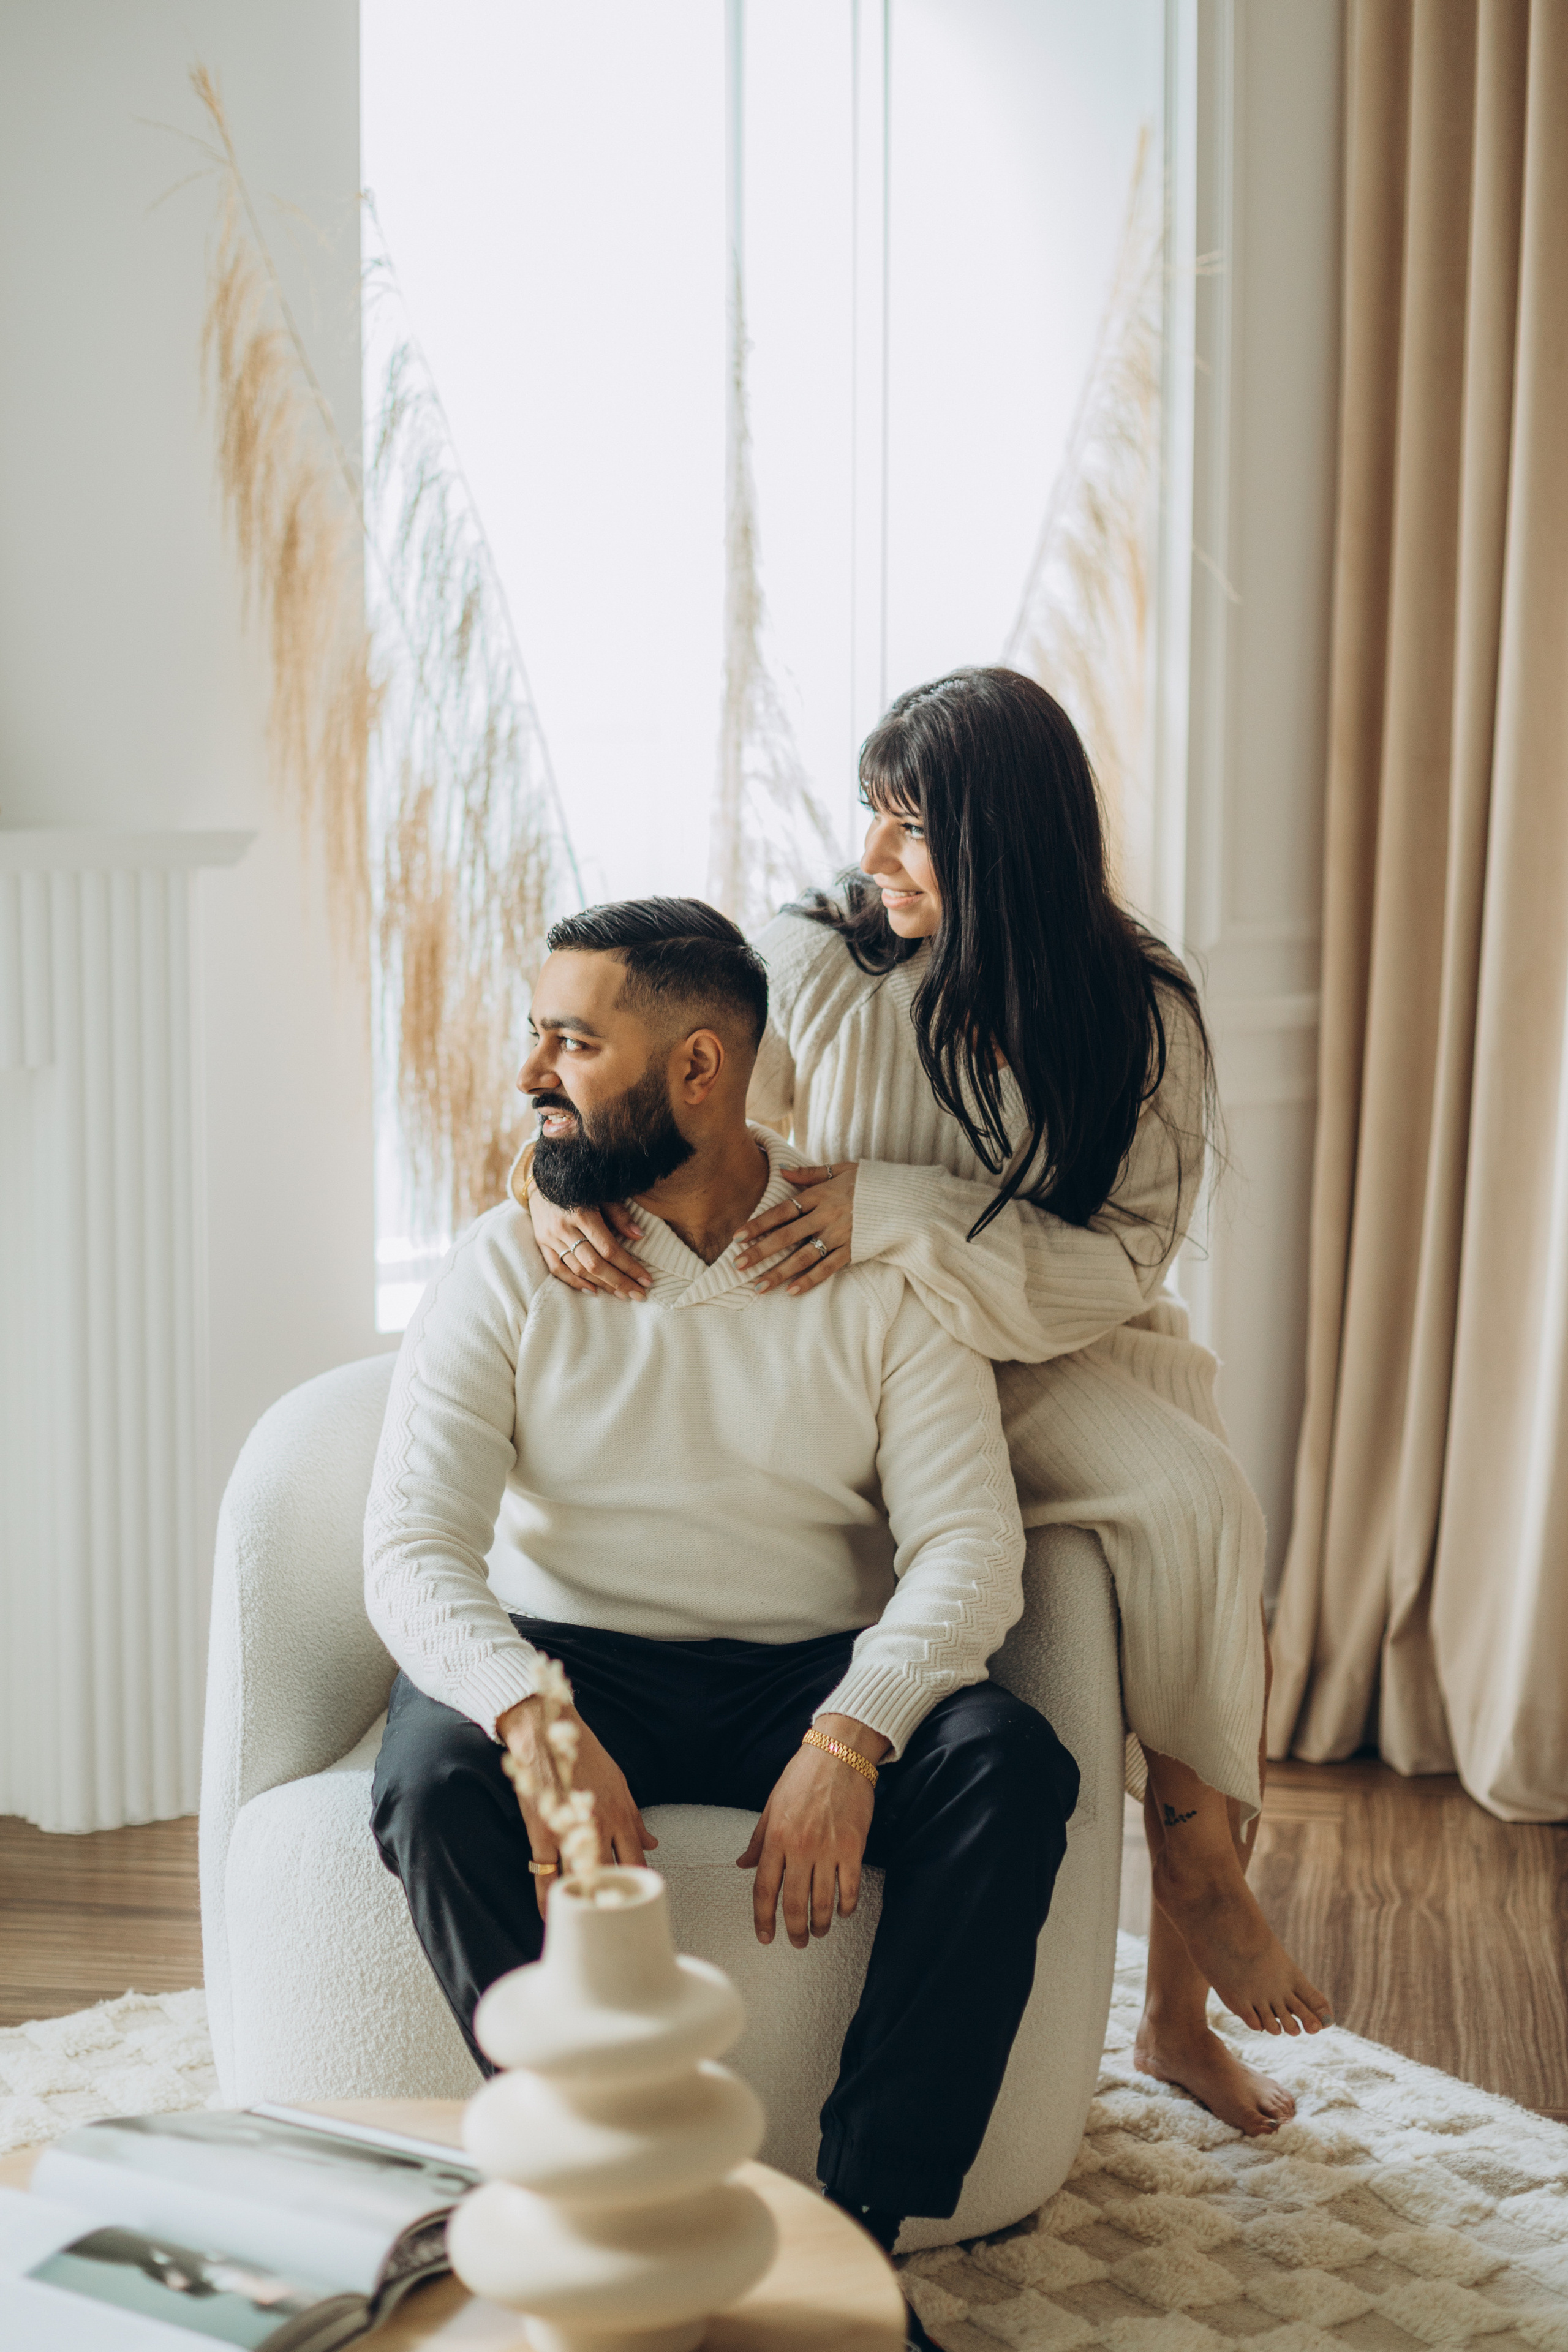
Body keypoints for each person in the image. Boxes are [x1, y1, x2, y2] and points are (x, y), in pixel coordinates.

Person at [524, 669, 1334, 2139]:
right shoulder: (815, 958)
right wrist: (540, 1177)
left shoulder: (1133, 1007)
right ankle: (1184, 1942)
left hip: (1056, 1344)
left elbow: (1123, 1258)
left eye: (914, 830)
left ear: (1005, 837)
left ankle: (1189, 1946)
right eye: (873, 818)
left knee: (1198, 1504)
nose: (876, 858)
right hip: (865, 1350)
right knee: (1151, 1501)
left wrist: (890, 1206)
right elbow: (661, 1075)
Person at [365, 896, 1079, 2294]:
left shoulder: (866, 1272)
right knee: (431, 1780)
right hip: (568, 1655)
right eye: (537, 1040)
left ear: (699, 1068)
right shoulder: (511, 1261)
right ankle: (595, 2185)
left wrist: (852, 1732)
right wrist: (527, 1711)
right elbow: (409, 1547)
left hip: (806, 1669)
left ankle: (857, 2238)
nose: (529, 1078)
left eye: (572, 1044)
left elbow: (966, 1551)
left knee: (1009, 1767)